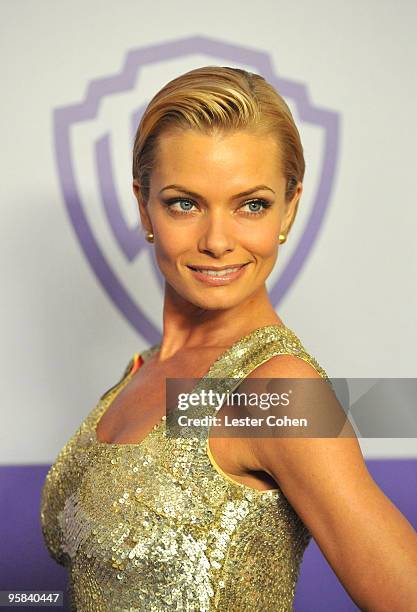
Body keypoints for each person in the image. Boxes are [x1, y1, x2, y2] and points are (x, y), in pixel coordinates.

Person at [40, 66, 417, 611]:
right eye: (184, 203)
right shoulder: (143, 367)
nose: (217, 241)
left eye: (252, 205)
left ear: (289, 207)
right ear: (143, 204)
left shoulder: (276, 392)